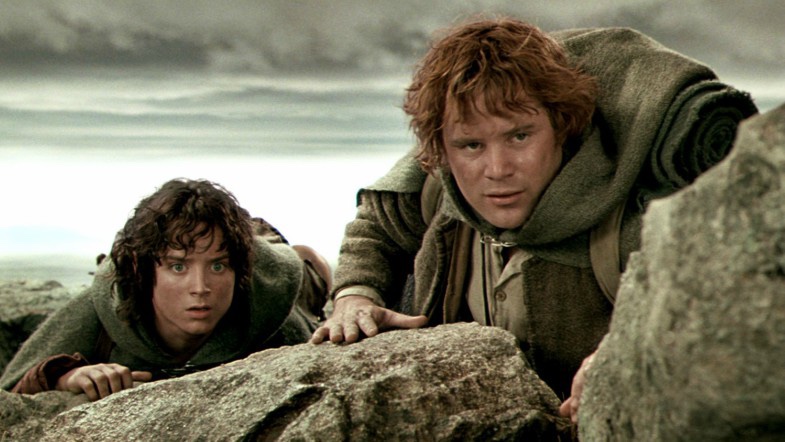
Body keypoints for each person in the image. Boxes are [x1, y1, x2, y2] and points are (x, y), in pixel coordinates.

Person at [310, 16, 756, 425]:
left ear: (562, 126)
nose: (498, 168)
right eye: (471, 145)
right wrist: (355, 295)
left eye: (519, 136)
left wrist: (628, 355)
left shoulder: (636, 215)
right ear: (443, 150)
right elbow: (377, 227)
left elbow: (724, 298)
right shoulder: (439, 196)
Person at [1, 178, 331, 401]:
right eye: (178, 267)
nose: (200, 288)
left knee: (306, 269)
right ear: (144, 273)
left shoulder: (270, 309)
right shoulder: (100, 307)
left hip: (267, 266)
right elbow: (11, 394)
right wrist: (65, 376)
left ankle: (279, 251)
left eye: (218, 268)